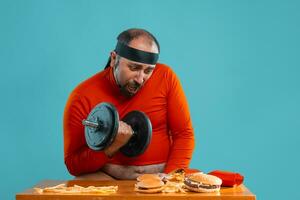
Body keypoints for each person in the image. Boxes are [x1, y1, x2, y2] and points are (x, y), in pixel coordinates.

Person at [63, 28, 195, 180]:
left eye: (148, 71)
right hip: (110, 177)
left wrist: (170, 178)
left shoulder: (166, 77)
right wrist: (111, 146)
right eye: (134, 68)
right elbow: (73, 163)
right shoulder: (82, 96)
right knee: (82, 185)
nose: (140, 79)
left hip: (161, 175)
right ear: (114, 59)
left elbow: (184, 134)